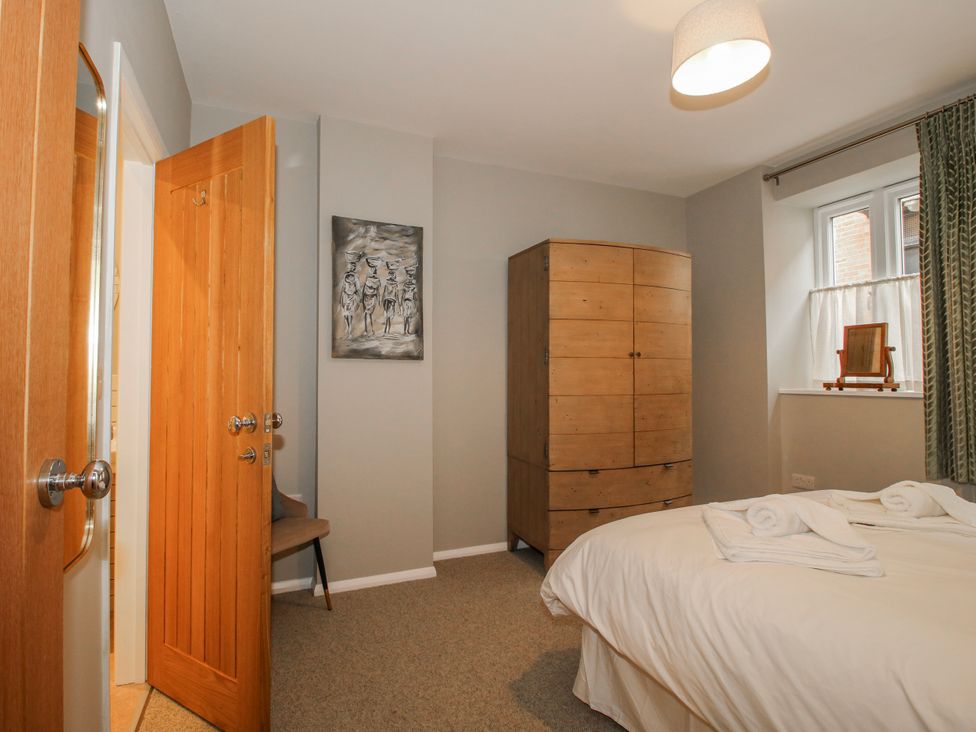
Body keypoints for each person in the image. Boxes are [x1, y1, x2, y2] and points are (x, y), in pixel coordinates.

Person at [339, 250, 364, 338]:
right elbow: (342, 287)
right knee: (345, 314)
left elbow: (358, 287)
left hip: (352, 297)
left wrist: (360, 297)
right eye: (349, 266)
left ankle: (349, 331)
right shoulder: (345, 275)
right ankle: (347, 328)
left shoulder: (356, 276)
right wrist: (341, 298)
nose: (350, 267)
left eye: (352, 266)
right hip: (345, 296)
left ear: (354, 267)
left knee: (350, 314)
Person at [362, 256, 382, 337]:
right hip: (366, 297)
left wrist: (379, 299)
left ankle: (371, 330)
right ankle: (367, 330)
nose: (372, 270)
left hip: (372, 298)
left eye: (373, 268)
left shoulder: (377, 279)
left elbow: (377, 290)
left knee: (369, 314)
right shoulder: (367, 278)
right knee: (366, 314)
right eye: (371, 268)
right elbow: (364, 288)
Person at [381, 259, 400, 335]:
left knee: (389, 316)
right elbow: (384, 293)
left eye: (392, 274)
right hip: (387, 301)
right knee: (386, 316)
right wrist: (383, 301)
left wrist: (398, 302)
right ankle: (386, 331)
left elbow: (396, 294)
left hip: (392, 301)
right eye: (390, 274)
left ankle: (387, 331)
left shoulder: (395, 284)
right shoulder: (387, 284)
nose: (391, 276)